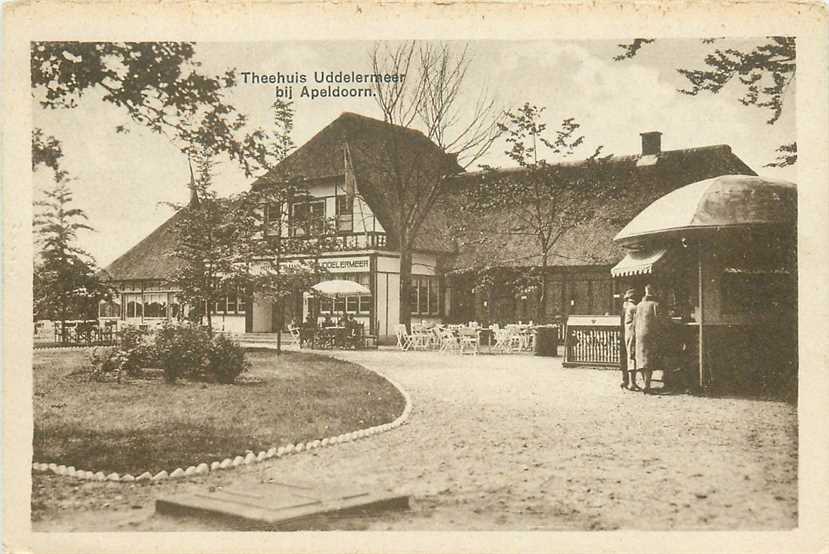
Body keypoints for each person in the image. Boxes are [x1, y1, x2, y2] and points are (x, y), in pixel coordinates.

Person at [634, 283, 665, 394]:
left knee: (641, 359)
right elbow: (660, 321)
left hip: (639, 334)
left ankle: (644, 383)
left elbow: (634, 321)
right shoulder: (655, 305)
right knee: (649, 359)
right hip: (650, 334)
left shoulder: (638, 305)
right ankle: (647, 385)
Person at [620, 288, 641, 391]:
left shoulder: (625, 307)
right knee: (632, 357)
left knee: (628, 356)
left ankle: (626, 380)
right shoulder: (634, 307)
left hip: (626, 334)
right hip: (632, 334)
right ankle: (632, 383)